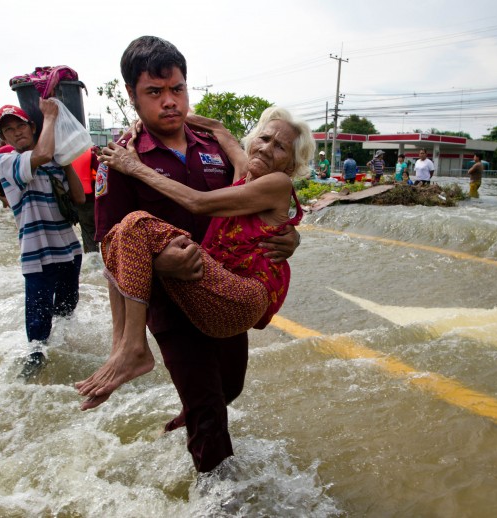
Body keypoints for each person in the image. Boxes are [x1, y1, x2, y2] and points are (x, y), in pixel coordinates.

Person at [89, 35, 300, 474]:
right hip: (167, 302)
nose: (169, 102)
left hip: (221, 286)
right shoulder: (118, 157)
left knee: (229, 388)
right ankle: (219, 495)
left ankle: (193, 413)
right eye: (154, 92)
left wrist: (291, 237)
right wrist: (158, 262)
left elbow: (255, 199)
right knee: (210, 414)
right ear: (132, 95)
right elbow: (109, 243)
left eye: (178, 90)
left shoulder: (215, 149)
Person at [76, 106, 312, 413]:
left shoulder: (276, 183)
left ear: (292, 165)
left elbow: (197, 203)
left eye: (280, 147)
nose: (267, 148)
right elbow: (219, 129)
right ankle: (124, 350)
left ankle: (134, 349)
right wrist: (158, 117)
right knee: (120, 236)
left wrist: (133, 167)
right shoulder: (246, 173)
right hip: (219, 285)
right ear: (252, 140)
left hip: (243, 297)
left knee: (136, 224)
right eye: (264, 138)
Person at [0, 102, 86, 377]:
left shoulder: (54, 160)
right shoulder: (6, 161)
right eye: (9, 130)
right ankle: (32, 375)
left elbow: (79, 198)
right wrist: (49, 116)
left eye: (21, 125)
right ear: (4, 138)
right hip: (37, 254)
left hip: (69, 249)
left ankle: (63, 359)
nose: (17, 132)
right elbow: (42, 153)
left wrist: (66, 159)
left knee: (66, 313)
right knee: (37, 332)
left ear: (31, 127)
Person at [71, 147, 100, 253]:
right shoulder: (90, 153)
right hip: (88, 198)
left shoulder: (63, 153)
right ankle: (94, 262)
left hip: (68, 200)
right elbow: (101, 172)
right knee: (90, 231)